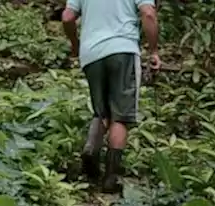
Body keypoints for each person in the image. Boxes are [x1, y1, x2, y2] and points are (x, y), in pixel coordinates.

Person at [61, 0, 160, 192]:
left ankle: (91, 149)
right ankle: (111, 178)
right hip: (122, 50)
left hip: (91, 54)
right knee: (120, 117)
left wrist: (76, 45)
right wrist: (154, 51)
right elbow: (148, 14)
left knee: (101, 111)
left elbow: (67, 17)